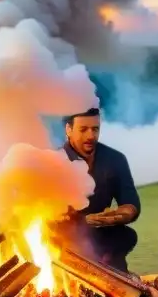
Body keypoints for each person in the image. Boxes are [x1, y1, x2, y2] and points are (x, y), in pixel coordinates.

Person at [59, 108, 141, 272]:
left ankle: (118, 283)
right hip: (64, 238)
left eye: (95, 129)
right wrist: (83, 222)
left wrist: (120, 215)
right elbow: (43, 216)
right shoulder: (53, 161)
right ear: (68, 129)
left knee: (126, 236)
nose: (91, 136)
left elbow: (131, 203)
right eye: (83, 129)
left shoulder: (114, 159)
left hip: (103, 235)